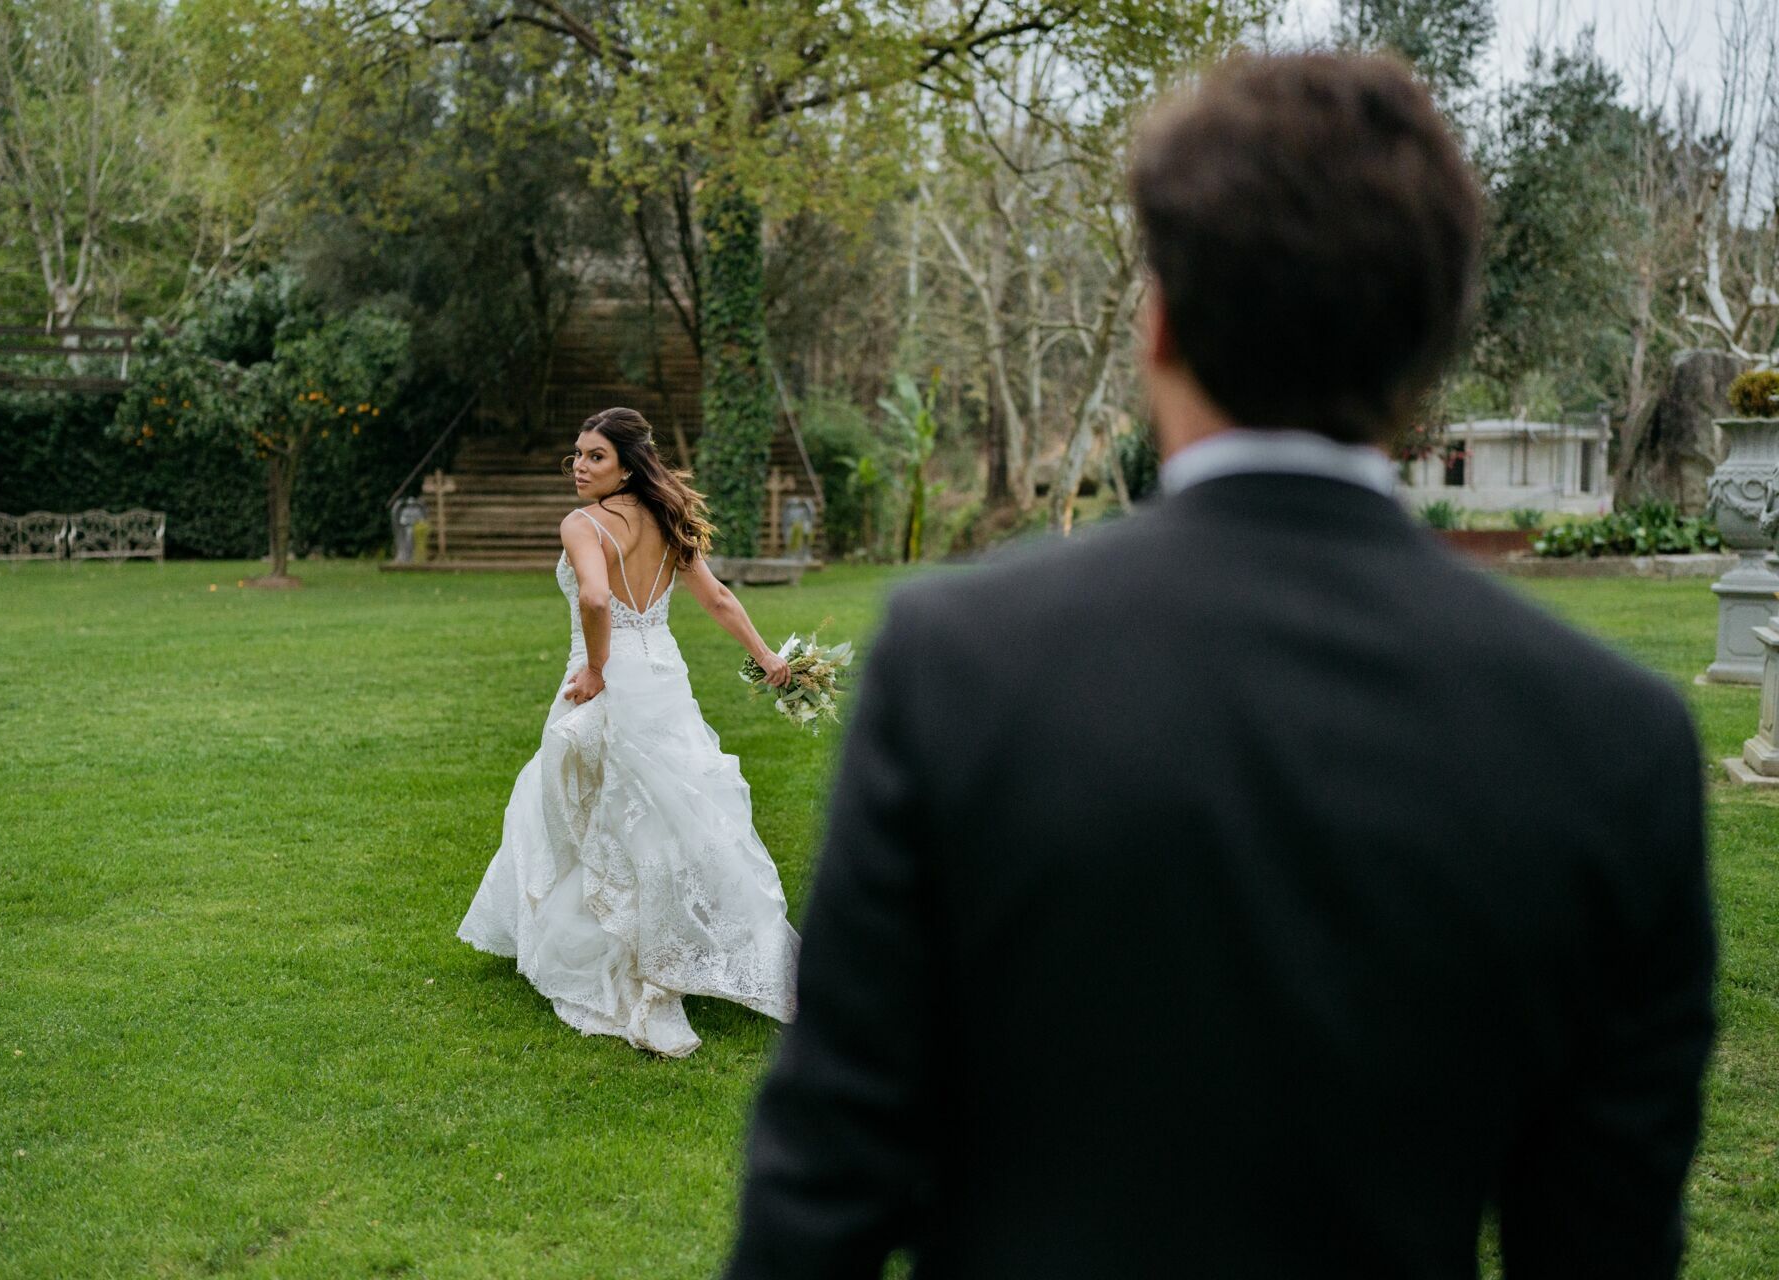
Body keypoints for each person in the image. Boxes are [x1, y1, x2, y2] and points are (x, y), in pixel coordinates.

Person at [726, 53, 1714, 1277]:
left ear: (1161, 324)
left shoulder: (958, 668)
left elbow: (822, 1192)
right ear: (1430, 350)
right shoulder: (1614, 742)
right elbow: (1607, 1240)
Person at [458, 407, 799, 1058]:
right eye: (577, 455)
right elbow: (718, 599)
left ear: (625, 464)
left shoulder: (583, 525)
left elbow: (593, 598)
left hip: (608, 684)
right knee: (668, 819)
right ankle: (668, 942)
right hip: (665, 679)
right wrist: (769, 658)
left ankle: (634, 965)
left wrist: (593, 668)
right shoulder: (666, 521)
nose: (579, 468)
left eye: (594, 457)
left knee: (592, 816)